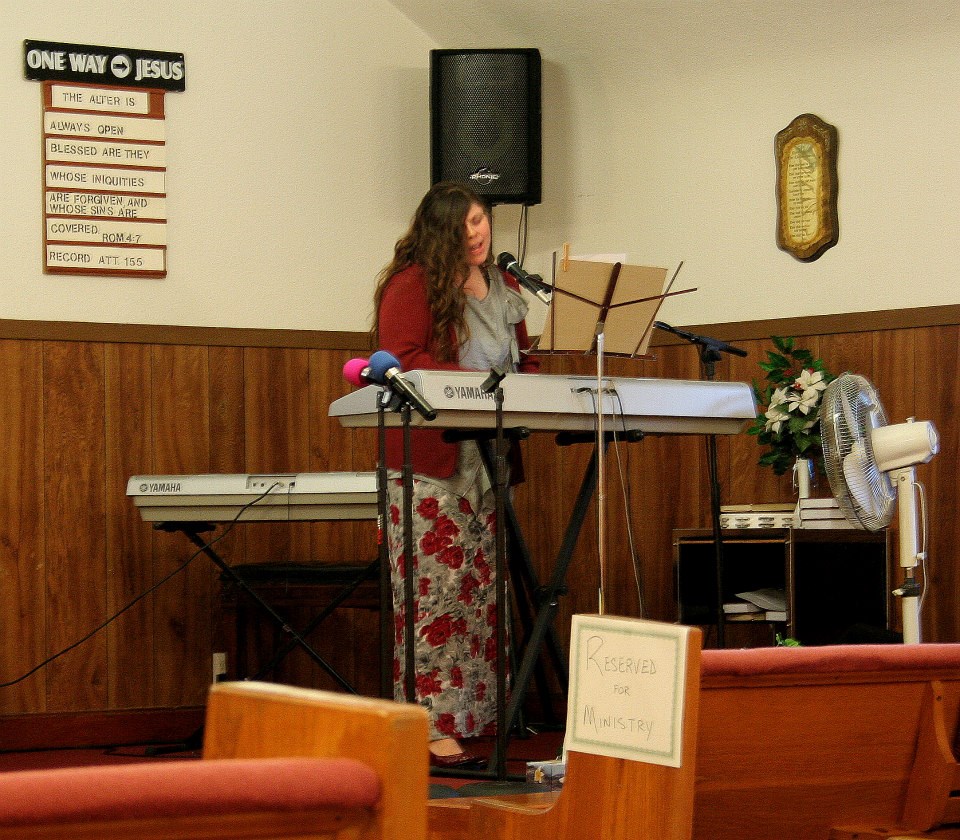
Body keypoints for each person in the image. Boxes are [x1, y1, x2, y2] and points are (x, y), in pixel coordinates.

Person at [372, 181, 540, 767]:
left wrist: (538, 381)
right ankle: (426, 724)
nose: (479, 231)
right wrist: (477, 384)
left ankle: (481, 716)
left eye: (482, 219)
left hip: (488, 459)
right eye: (466, 223)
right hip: (430, 463)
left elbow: (523, 358)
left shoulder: (504, 286)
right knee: (433, 595)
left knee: (478, 596)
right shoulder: (411, 284)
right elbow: (407, 361)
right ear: (441, 231)